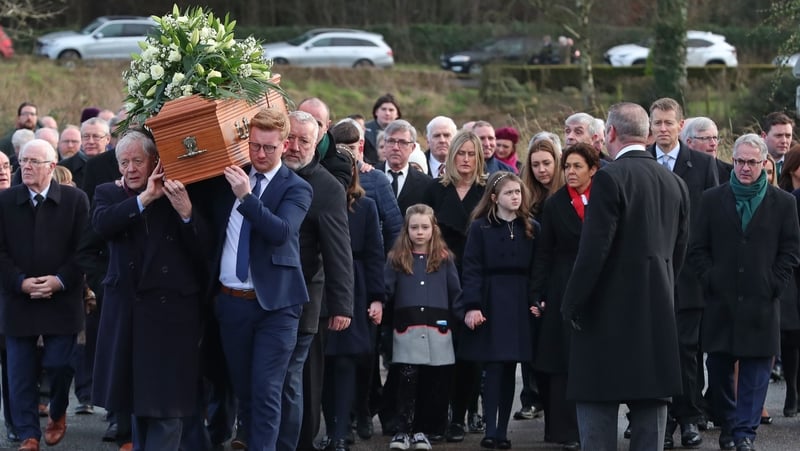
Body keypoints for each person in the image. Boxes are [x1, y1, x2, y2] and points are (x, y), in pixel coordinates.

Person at [560, 102, 690, 451]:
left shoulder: (608, 178)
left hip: (606, 317)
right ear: (647, 134)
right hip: (656, 314)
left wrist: (571, 303)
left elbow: (593, 251)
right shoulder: (676, 183)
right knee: (650, 419)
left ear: (611, 133)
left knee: (598, 416)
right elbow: (678, 254)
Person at [91, 129, 209, 451]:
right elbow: (102, 225)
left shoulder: (179, 192)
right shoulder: (108, 193)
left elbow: (205, 251)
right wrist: (144, 199)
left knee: (167, 409)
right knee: (137, 408)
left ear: (155, 161)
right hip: (128, 314)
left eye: (137, 161)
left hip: (171, 315)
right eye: (124, 162)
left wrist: (186, 212)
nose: (130, 169)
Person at [203, 108, 313, 451]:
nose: (261, 154)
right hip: (231, 304)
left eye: (269, 147)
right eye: (254, 146)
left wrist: (245, 197)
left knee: (267, 390)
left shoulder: (297, 188)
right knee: (245, 391)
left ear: (284, 145)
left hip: (276, 307)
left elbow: (280, 231)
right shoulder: (230, 179)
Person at [689, 133, 800, 451]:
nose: (745, 168)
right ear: (733, 161)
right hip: (720, 300)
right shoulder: (712, 199)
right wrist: (710, 279)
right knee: (720, 368)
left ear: (764, 163)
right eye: (739, 161)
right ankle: (729, 424)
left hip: (762, 301)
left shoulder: (783, 203)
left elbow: (790, 251)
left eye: (752, 162)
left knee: (756, 372)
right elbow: (697, 248)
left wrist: (774, 283)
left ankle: (745, 433)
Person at [0, 139, 90, 451]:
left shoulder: (75, 200)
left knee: (60, 365)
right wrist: (19, 282)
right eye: (22, 161)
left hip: (61, 299)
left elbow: (84, 250)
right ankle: (28, 434)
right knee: (20, 372)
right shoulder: (5, 200)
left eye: (34, 162)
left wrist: (60, 280)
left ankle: (58, 409)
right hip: (18, 299)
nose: (25, 166)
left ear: (52, 166)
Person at [278, 111, 353, 451]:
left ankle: (300, 443)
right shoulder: (266, 173)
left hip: (307, 298)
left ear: (317, 142)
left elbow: (338, 251)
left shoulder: (326, 187)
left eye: (303, 141)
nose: (293, 147)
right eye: (289, 138)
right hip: (264, 297)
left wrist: (342, 305)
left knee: (299, 380)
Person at [647, 97, 718, 449]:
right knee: (656, 348)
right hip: (651, 274)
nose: (662, 128)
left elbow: (712, 221)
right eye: (656, 122)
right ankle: (659, 421)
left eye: (668, 122)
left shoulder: (704, 165)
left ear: (680, 124)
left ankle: (689, 416)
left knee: (687, 349)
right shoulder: (640, 162)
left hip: (690, 275)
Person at [457, 171, 536, 450]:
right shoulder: (481, 227)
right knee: (493, 366)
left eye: (518, 192)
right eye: (509, 193)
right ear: (494, 198)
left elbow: (539, 269)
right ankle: (490, 429)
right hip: (491, 299)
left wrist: (537, 300)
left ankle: (502, 431)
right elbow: (472, 268)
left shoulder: (530, 226)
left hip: (519, 299)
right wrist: (473, 305)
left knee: (511, 364)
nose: (515, 197)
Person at [530, 143, 600, 451]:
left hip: (600, 285)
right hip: (563, 284)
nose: (570, 172)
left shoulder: (605, 197)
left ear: (592, 170)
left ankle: (597, 427)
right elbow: (544, 252)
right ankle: (566, 430)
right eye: (567, 166)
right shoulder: (556, 203)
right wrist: (538, 292)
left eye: (577, 167)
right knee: (563, 359)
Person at [422, 131, 486, 442]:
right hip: (438, 277)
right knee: (438, 350)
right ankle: (437, 415)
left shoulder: (487, 191)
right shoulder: (434, 189)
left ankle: (461, 415)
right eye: (461, 153)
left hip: (474, 280)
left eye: (472, 154)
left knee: (468, 354)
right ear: (451, 157)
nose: (465, 160)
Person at [320, 148, 384, 451]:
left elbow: (375, 255)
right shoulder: (315, 198)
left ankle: (342, 430)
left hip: (354, 287)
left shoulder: (366, 207)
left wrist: (377, 298)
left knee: (346, 362)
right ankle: (330, 426)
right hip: (321, 283)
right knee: (324, 363)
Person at [384, 204, 461, 451]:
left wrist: (467, 315)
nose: (419, 232)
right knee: (406, 381)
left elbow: (455, 293)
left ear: (433, 229)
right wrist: (376, 304)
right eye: (414, 227)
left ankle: (422, 431)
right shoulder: (396, 259)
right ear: (406, 230)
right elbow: (386, 291)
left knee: (432, 383)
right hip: (407, 331)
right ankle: (402, 430)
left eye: (424, 227)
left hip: (437, 331)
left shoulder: (445, 259)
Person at [297, 97, 352, 189]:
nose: (311, 128)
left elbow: (333, 196)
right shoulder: (279, 151)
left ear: (327, 126)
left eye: (318, 124)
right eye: (304, 121)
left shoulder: (340, 166)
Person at [379, 120, 432, 214]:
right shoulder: (370, 175)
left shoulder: (426, 184)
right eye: (391, 141)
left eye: (403, 142)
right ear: (385, 144)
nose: (395, 147)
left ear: (413, 147)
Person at [59, 118, 110, 189]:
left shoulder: (118, 164)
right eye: (86, 136)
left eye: (96, 136)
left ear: (107, 139)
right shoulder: (63, 167)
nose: (90, 141)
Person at [521, 137, 565, 218]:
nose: (541, 170)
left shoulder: (568, 191)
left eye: (546, 163)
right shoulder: (525, 197)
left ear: (556, 162)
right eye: (535, 165)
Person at [682, 116, 731, 183]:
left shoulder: (731, 173)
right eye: (706, 138)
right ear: (690, 142)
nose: (713, 143)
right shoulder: (680, 172)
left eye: (715, 138)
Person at [364, 94, 401, 165]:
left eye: (391, 110)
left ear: (397, 114)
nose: (387, 113)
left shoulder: (404, 132)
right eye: (383, 109)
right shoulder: (364, 130)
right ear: (376, 112)